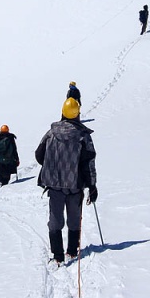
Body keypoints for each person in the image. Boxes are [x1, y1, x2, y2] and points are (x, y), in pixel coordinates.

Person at [35, 97, 98, 264]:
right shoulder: (83, 136)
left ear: (63, 113)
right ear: (77, 114)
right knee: (74, 219)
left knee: (55, 220)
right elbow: (89, 162)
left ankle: (57, 255)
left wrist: (53, 166)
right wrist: (92, 186)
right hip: (75, 184)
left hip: (54, 184)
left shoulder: (51, 133)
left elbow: (39, 155)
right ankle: (72, 251)